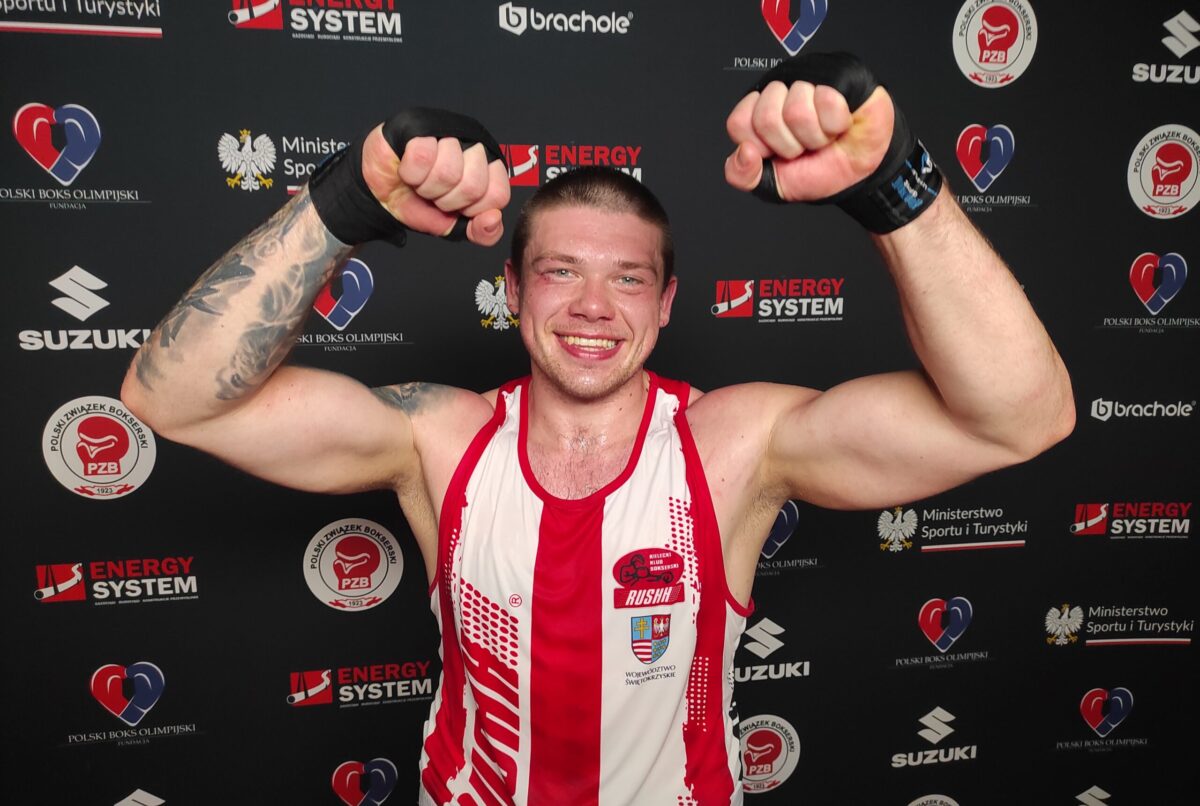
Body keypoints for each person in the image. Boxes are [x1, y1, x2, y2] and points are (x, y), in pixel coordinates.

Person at [121, 54, 1074, 805]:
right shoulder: (440, 439)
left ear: (665, 305)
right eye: (560, 272)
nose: (592, 308)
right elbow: (175, 400)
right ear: (512, 290)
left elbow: (1021, 420)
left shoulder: (732, 446)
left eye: (627, 279)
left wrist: (894, 185)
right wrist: (342, 203)